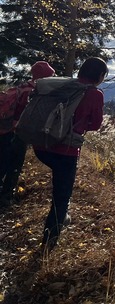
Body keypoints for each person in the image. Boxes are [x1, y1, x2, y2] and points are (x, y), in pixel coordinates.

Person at [34, 57, 108, 253]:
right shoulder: (95, 94)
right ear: (100, 76)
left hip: (41, 145)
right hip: (66, 151)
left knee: (58, 184)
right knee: (61, 196)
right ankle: (49, 242)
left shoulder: (64, 84)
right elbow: (95, 125)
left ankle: (59, 221)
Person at [0, 61, 56, 210]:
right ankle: (5, 199)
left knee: (3, 162)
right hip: (17, 133)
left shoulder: (22, 86)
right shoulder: (35, 91)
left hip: (4, 130)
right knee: (14, 166)